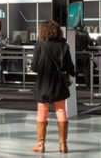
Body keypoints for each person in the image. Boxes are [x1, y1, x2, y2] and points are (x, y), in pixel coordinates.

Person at [30, 20, 75, 154]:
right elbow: (70, 67)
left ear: (43, 31)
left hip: (43, 82)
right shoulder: (64, 46)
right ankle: (63, 144)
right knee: (61, 111)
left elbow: (34, 67)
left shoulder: (39, 45)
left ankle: (41, 144)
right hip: (59, 83)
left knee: (42, 112)